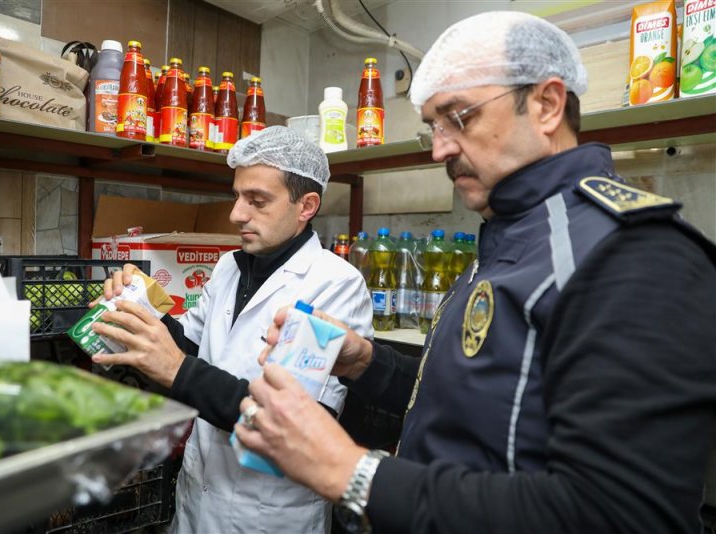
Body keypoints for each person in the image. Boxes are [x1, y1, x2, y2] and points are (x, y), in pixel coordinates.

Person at [234, 11, 716, 534]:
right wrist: (364, 361)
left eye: (459, 117)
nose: (440, 148)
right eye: (432, 127)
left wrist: (349, 472)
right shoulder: (511, 236)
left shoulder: (631, 253)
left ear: (547, 105)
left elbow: (622, 514)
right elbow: (476, 405)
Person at [91, 126, 373, 533]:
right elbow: (191, 343)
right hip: (196, 497)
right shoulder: (229, 266)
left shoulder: (334, 285)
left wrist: (177, 370)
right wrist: (141, 308)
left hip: (267, 512)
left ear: (306, 205)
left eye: (257, 201)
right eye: (238, 196)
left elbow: (294, 423)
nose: (237, 214)